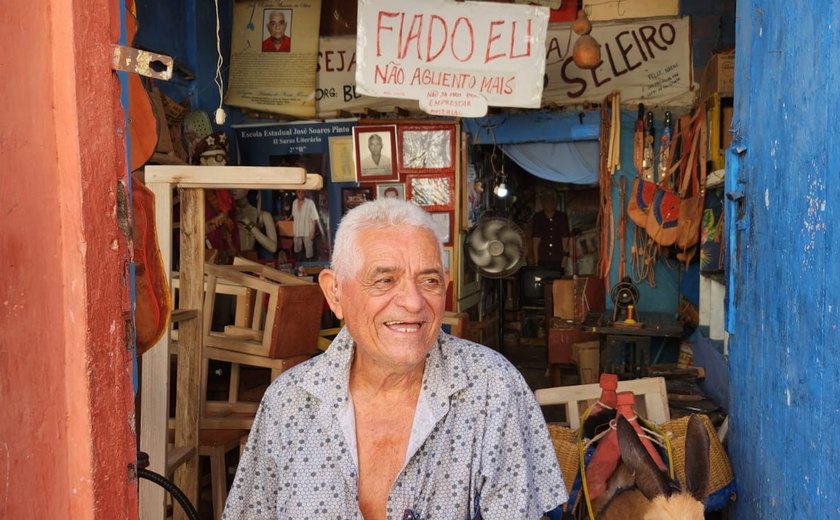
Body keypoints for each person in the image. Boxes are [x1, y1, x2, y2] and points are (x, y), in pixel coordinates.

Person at [223, 199, 567, 519]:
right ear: (335, 292)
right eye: (385, 280)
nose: (414, 302)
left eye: (429, 280)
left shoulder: (494, 388)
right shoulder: (289, 403)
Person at [531, 189, 571, 272]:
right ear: (542, 202)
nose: (549, 203)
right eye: (546, 200)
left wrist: (564, 260)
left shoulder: (562, 217)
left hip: (558, 259)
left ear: (556, 202)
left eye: (552, 200)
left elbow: (566, 241)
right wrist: (536, 262)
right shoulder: (538, 217)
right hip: (542, 259)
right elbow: (535, 242)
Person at [231, 189, 277, 259]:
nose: (234, 189)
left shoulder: (263, 215)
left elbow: (273, 247)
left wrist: (248, 223)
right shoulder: (227, 213)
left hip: (249, 261)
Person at [290, 189, 322, 260]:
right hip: (297, 231)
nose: (300, 193)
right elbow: (293, 215)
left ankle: (309, 265)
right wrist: (288, 219)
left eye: (302, 192)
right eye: (299, 191)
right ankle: (299, 265)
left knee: (309, 251)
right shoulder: (294, 202)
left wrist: (313, 232)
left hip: (307, 231)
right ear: (296, 193)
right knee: (297, 249)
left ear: (305, 193)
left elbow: (314, 218)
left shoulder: (310, 203)